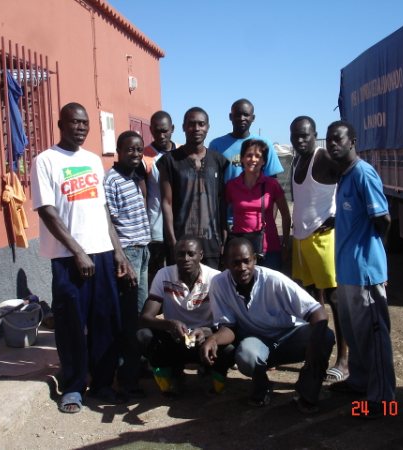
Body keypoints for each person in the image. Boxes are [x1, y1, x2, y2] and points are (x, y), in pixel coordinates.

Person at [30, 102, 135, 413]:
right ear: (60, 124)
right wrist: (77, 251)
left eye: (85, 123)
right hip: (67, 257)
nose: (80, 128)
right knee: (71, 325)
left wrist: (118, 252)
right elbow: (46, 210)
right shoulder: (45, 161)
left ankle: (102, 383)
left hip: (102, 253)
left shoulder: (92, 161)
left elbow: (103, 209)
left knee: (104, 321)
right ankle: (74, 387)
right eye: (74, 122)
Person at [201, 238, 335, 413]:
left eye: (246, 261)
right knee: (246, 355)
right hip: (258, 341)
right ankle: (263, 386)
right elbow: (228, 327)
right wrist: (213, 339)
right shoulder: (219, 284)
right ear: (225, 263)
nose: (242, 267)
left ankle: (308, 391)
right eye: (235, 263)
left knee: (324, 336)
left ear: (255, 260)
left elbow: (317, 312)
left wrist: (314, 346)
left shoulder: (274, 280)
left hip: (290, 336)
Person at [326, 120, 396, 419]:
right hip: (347, 272)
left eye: (338, 139)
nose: (332, 144)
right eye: (329, 139)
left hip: (365, 273)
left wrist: (372, 254)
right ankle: (360, 382)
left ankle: (382, 398)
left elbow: (383, 220)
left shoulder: (363, 173)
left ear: (353, 141)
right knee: (356, 335)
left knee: (374, 338)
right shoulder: (344, 176)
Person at [290, 116, 348, 383]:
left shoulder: (322, 157)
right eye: (295, 136)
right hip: (302, 240)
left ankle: (344, 360)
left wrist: (340, 215)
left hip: (324, 240)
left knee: (335, 300)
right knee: (313, 301)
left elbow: (350, 174)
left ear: (315, 135)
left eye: (305, 135)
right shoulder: (296, 160)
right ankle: (319, 352)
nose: (300, 140)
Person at [137, 236, 234, 396]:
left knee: (230, 348)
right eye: (181, 254)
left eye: (191, 254)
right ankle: (173, 374)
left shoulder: (215, 278)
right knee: (143, 335)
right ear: (175, 256)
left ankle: (212, 372)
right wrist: (170, 325)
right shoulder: (164, 275)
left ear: (201, 255)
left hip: (204, 340)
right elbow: (145, 317)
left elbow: (226, 322)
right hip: (176, 339)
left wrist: (207, 332)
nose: (186, 259)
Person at [105, 130, 151, 397]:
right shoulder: (111, 180)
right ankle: (126, 379)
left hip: (142, 250)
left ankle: (138, 365)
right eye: (130, 149)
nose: (135, 154)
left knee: (142, 312)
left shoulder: (134, 177)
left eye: (139, 150)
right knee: (128, 318)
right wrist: (120, 255)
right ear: (119, 151)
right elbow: (109, 222)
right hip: (128, 254)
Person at [157, 107, 229, 269]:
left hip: (211, 243)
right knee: (180, 285)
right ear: (183, 127)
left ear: (208, 127)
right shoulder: (170, 161)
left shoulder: (218, 161)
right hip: (181, 246)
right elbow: (166, 203)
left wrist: (224, 236)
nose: (196, 128)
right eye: (191, 124)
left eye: (201, 124)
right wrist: (172, 241)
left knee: (212, 285)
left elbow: (221, 200)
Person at [225, 139, 291, 271]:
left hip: (269, 248)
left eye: (258, 156)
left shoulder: (272, 185)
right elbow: (221, 213)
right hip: (241, 249)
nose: (253, 159)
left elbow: (285, 215)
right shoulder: (232, 186)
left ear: (264, 161)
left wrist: (285, 244)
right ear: (242, 158)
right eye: (249, 155)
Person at [209, 98, 284, 183]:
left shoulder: (265, 144)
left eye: (246, 115)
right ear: (230, 117)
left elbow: (272, 178)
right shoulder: (216, 145)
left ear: (253, 118)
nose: (242, 118)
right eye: (238, 115)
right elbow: (211, 178)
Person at [143, 111, 176, 286]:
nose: (161, 135)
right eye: (157, 131)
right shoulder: (144, 156)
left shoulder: (182, 152)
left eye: (165, 131)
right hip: (156, 228)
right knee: (155, 274)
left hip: (180, 225)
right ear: (151, 130)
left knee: (176, 270)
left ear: (172, 129)